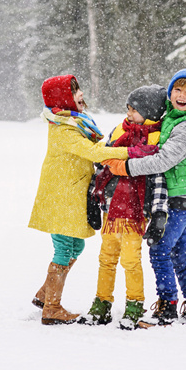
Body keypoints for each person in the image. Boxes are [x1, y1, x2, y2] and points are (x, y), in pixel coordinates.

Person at [103, 68, 186, 326]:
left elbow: (163, 160)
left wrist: (125, 167)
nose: (182, 95)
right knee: (177, 252)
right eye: (177, 89)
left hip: (181, 195)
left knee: (160, 249)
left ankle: (167, 306)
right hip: (178, 194)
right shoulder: (172, 118)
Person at [29, 74, 129, 325]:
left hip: (71, 195)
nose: (81, 94)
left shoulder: (78, 122)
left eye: (79, 89)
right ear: (63, 100)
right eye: (74, 92)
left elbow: (97, 143)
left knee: (78, 246)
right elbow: (94, 151)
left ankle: (44, 295)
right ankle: (52, 308)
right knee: (63, 249)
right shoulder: (63, 129)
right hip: (60, 196)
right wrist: (130, 152)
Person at [82, 85, 167, 330]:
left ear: (150, 112)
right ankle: (102, 303)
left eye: (134, 110)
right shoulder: (120, 130)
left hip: (135, 212)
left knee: (131, 260)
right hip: (110, 209)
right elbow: (102, 162)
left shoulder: (156, 140)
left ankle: (134, 304)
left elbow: (159, 177)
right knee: (106, 258)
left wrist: (159, 211)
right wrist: (92, 197)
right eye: (128, 108)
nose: (128, 114)